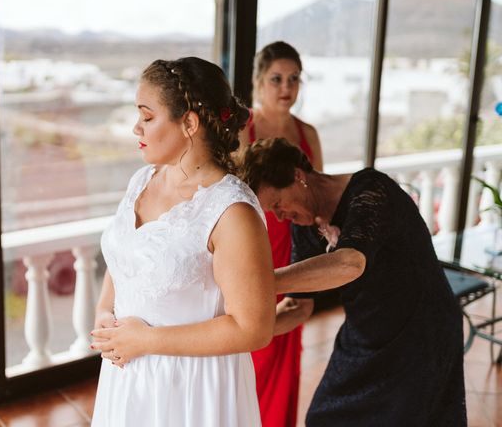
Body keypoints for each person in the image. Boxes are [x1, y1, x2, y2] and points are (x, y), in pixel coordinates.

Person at [89, 57, 276, 427]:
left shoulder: (231, 211)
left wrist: (146, 342)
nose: (135, 127)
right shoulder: (143, 180)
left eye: (147, 116)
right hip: (128, 379)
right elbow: (126, 258)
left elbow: (253, 328)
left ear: (189, 122)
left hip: (191, 392)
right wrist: (104, 310)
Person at [240, 137, 466, 427]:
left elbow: (350, 262)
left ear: (298, 176)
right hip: (366, 333)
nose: (279, 216)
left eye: (277, 204)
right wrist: (242, 335)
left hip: (419, 331)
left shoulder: (371, 189)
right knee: (324, 418)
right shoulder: (306, 225)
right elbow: (298, 306)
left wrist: (255, 282)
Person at [239, 40, 322, 427]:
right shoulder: (243, 129)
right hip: (254, 243)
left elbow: (318, 195)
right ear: (259, 82)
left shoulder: (308, 132)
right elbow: (234, 195)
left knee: (286, 344)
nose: (286, 88)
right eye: (276, 79)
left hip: (296, 245)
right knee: (251, 344)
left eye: (293, 79)